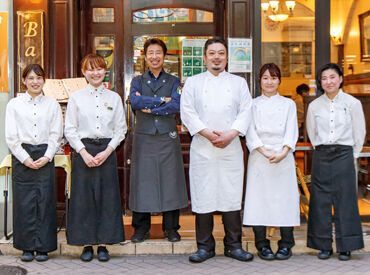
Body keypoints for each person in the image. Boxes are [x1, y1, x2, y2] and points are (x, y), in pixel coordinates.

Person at [181, 37, 253, 263]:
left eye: (221, 53)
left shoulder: (239, 83)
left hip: (231, 147)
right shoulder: (192, 82)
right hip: (203, 147)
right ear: (204, 57)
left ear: (227, 57)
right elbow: (187, 112)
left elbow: (246, 111)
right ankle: (205, 247)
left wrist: (231, 134)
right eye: (212, 53)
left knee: (231, 195)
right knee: (204, 195)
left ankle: (234, 245)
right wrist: (207, 133)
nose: (216, 57)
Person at [64, 53, 127, 262]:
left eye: (99, 68)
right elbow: (70, 129)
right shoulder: (76, 98)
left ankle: (103, 244)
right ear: (84, 72)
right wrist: (83, 153)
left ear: (104, 71)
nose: (95, 72)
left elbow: (121, 129)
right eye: (90, 69)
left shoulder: (114, 98)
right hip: (83, 150)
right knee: (83, 199)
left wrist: (107, 151)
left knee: (106, 199)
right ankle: (86, 244)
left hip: (106, 151)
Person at [129, 38, 188, 243]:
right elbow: (135, 101)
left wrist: (151, 106)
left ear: (164, 56)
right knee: (142, 181)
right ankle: (140, 228)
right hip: (144, 135)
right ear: (145, 57)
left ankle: (171, 228)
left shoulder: (174, 81)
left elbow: (176, 105)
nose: (154, 57)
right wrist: (163, 101)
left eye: (158, 53)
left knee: (170, 181)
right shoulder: (137, 80)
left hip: (167, 135)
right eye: (150, 53)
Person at [306, 63, 366, 261]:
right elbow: (312, 132)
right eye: (324, 78)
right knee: (320, 200)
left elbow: (360, 131)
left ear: (340, 79)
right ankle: (322, 245)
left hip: (344, 154)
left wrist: (354, 154)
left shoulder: (353, 103)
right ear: (320, 82)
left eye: (332, 77)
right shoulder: (314, 106)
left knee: (346, 200)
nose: (328, 81)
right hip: (322, 153)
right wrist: (321, 148)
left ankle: (346, 246)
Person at [5, 64, 63, 262]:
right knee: (24, 203)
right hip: (23, 156)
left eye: (38, 77)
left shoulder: (52, 104)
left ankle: (44, 247)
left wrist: (47, 156)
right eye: (30, 78)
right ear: (24, 81)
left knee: (45, 202)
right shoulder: (14, 104)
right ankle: (26, 247)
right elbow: (11, 137)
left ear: (44, 80)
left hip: (45, 154)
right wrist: (25, 158)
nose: (35, 81)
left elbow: (56, 133)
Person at [243, 63, 300, 261]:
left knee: (285, 200)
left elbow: (292, 131)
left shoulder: (288, 104)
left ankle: (286, 244)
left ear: (279, 81)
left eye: (274, 78)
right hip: (259, 157)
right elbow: (250, 131)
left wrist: (284, 152)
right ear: (259, 81)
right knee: (259, 201)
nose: (270, 82)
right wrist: (264, 150)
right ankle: (262, 244)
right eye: (266, 78)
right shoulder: (251, 104)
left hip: (283, 157)